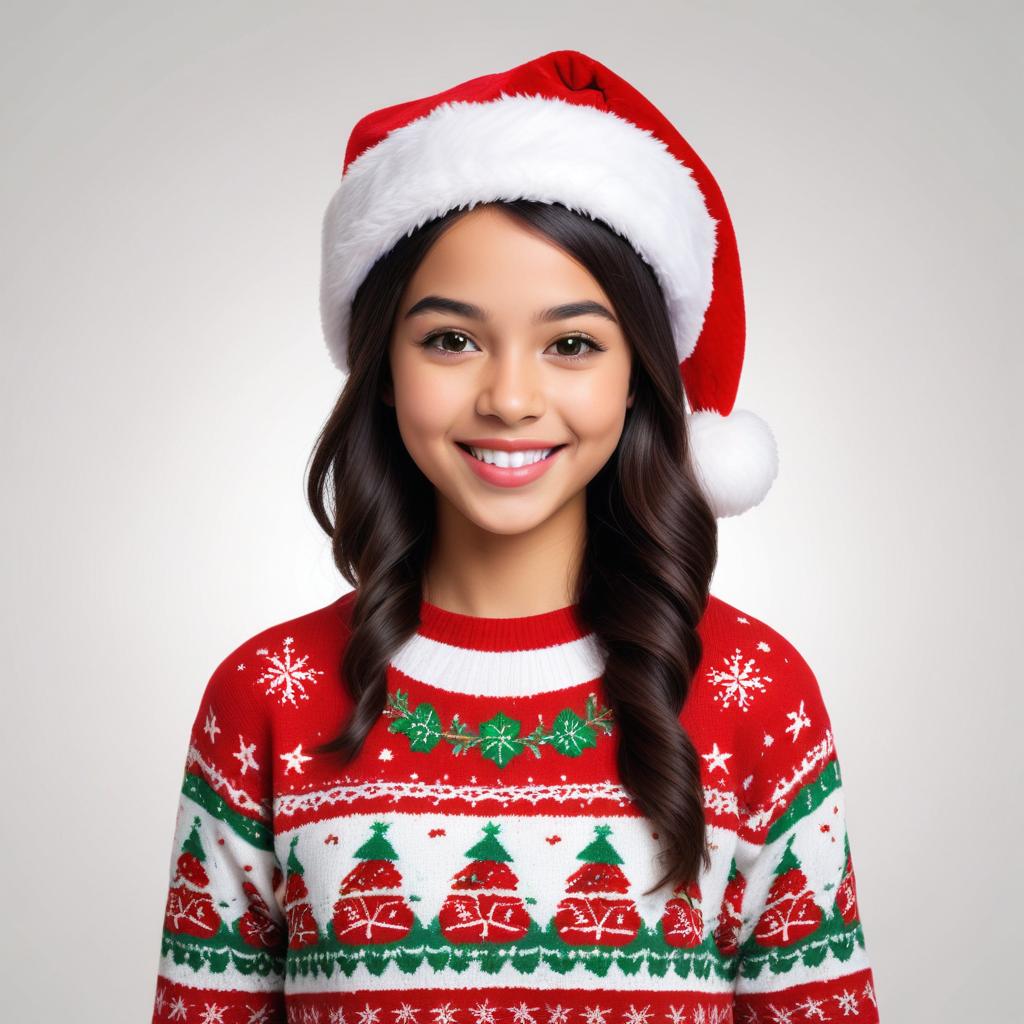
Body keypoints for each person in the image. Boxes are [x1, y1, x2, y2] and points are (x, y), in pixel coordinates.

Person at [150, 49, 879, 1024]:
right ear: (382, 366)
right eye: (451, 338)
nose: (507, 397)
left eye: (571, 342)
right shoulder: (264, 697)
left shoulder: (755, 693)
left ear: (636, 376)